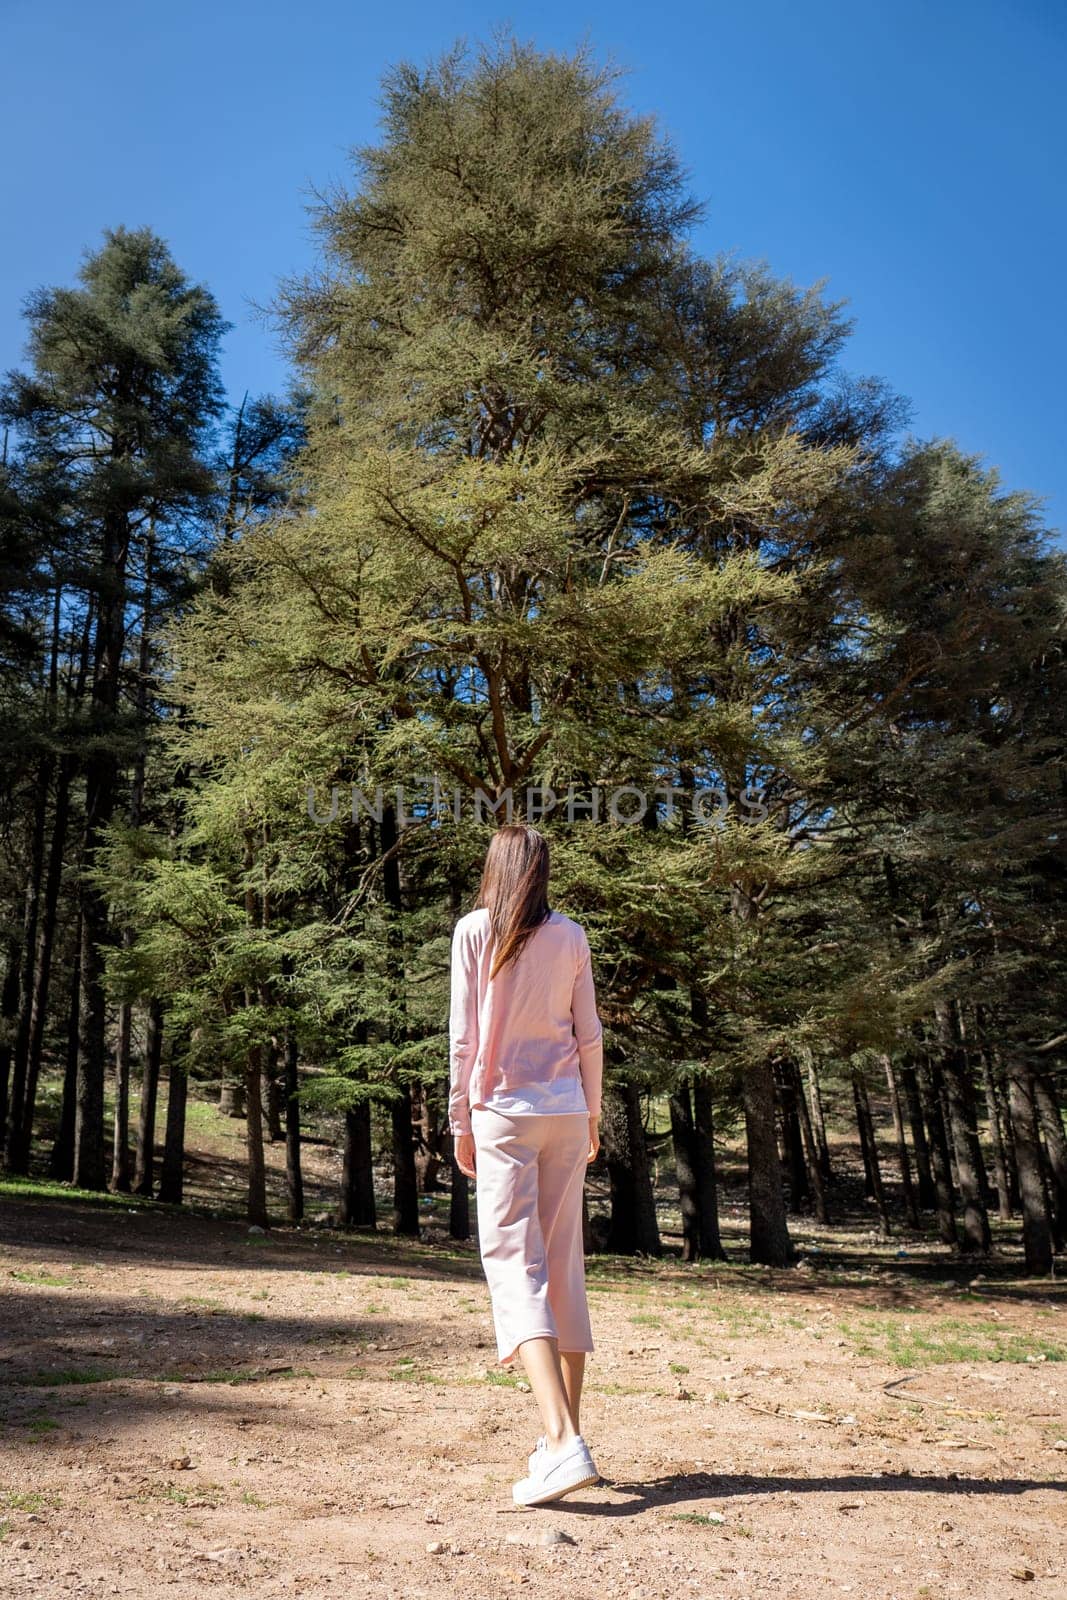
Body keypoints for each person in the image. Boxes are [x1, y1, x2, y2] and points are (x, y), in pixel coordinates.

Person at [448, 822, 604, 1507]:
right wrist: (592, 1114)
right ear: (541, 870)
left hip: (504, 1116)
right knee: (560, 1268)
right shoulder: (569, 934)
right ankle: (557, 1444)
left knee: (515, 1269)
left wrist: (459, 1121)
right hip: (566, 1113)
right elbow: (588, 1031)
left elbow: (463, 1039)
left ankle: (564, 1443)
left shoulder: (473, 931)